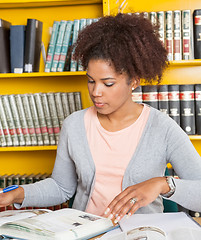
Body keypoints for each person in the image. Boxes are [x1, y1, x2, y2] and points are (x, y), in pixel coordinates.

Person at [1, 13, 201, 225]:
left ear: (134, 81)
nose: (96, 92)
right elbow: (61, 187)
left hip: (139, 234)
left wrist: (163, 184)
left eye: (108, 83)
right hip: (84, 232)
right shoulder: (74, 125)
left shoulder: (163, 128)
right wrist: (16, 194)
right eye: (90, 81)